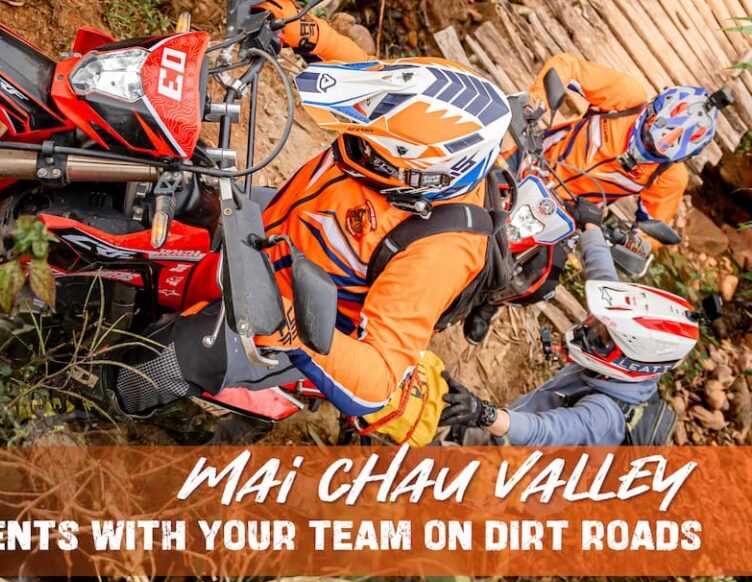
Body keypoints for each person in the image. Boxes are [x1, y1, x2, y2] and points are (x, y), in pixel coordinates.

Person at [251, 58, 516, 445]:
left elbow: (379, 380)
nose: (357, 147)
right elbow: (380, 72)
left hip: (277, 309)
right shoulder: (435, 108)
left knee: (172, 361)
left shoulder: (440, 252)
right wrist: (307, 31)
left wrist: (285, 325)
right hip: (271, 229)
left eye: (375, 153)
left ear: (424, 176)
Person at [442, 239, 699, 446]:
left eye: (602, 335)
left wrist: (482, 413)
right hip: (510, 428)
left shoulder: (604, 416)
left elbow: (542, 431)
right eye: (598, 323)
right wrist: (592, 228)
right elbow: (603, 277)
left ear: (632, 361)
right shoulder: (619, 344)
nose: (590, 330)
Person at [525, 53, 722, 227]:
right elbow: (569, 66)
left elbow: (653, 228)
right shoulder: (627, 97)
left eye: (657, 153)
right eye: (647, 136)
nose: (646, 147)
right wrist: (536, 103)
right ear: (651, 110)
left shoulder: (670, 176)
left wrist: (635, 243)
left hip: (567, 218)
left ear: (679, 157)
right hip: (530, 160)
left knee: (542, 268)